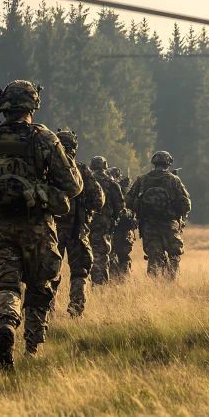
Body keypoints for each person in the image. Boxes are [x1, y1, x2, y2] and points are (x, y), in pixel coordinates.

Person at [0, 80, 82, 369]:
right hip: (37, 227)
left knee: (7, 284)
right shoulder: (45, 139)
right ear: (32, 105)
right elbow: (73, 185)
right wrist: (42, 190)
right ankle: (32, 350)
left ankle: (8, 326)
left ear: (4, 107)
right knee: (39, 287)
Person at [53, 131, 104, 317]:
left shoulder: (46, 168)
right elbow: (99, 200)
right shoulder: (81, 169)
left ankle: (46, 311)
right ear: (74, 148)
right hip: (77, 230)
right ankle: (76, 311)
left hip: (51, 230)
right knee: (80, 272)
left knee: (49, 273)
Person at [127, 151, 191, 279]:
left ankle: (154, 288)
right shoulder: (174, 180)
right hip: (170, 225)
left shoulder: (142, 180)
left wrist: (140, 210)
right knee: (174, 257)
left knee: (154, 258)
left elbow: (128, 200)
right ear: (168, 163)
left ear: (154, 162)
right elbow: (186, 205)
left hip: (149, 226)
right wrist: (177, 214)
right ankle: (171, 286)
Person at [87, 156, 124, 285]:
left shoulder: (85, 180)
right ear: (105, 166)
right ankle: (99, 285)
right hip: (103, 224)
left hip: (85, 223)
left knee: (85, 254)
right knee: (101, 255)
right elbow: (120, 206)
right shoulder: (111, 183)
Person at [108, 166, 136, 281]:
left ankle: (113, 280)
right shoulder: (123, 190)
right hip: (123, 230)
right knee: (124, 258)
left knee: (110, 256)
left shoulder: (106, 187)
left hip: (109, 228)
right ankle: (124, 280)